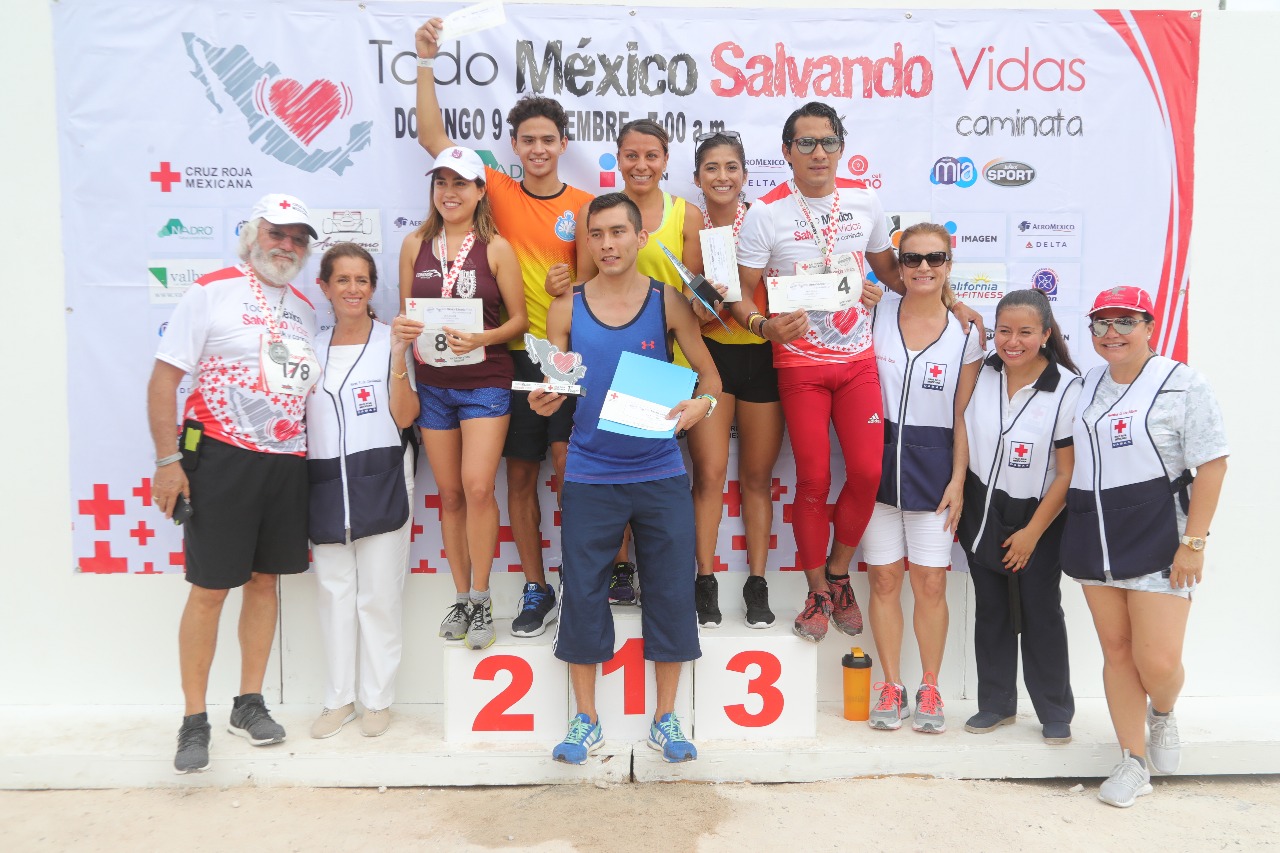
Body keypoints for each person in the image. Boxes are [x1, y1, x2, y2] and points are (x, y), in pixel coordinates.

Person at [416, 17, 595, 638]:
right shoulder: (490, 187)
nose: (539, 149)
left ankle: (581, 583)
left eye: (548, 138)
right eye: (528, 140)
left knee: (574, 472)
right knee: (518, 477)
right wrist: (424, 62)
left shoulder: (587, 206)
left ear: (563, 142)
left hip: (567, 356)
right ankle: (536, 587)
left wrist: (572, 286)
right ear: (513, 146)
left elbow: (605, 279)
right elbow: (434, 139)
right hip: (511, 357)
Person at [528, 193, 721, 765]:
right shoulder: (565, 308)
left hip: (660, 471)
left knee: (669, 590)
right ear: (587, 241)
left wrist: (700, 406)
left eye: (618, 232)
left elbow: (709, 376)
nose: (608, 243)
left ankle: (667, 718)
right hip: (589, 473)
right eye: (598, 234)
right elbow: (557, 384)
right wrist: (545, 400)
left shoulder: (668, 305)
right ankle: (584, 719)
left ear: (641, 239)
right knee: (583, 593)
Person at [147, 193, 319, 773]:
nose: (287, 245)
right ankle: (193, 719)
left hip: (285, 462)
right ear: (253, 235)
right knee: (210, 588)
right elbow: (164, 378)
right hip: (218, 457)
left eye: (298, 238)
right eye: (278, 233)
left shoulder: (305, 307)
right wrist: (167, 460)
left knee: (265, 582)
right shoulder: (211, 289)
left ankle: (248, 703)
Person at [728, 101, 903, 643]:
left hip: (856, 362)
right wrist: (763, 326)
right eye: (805, 143)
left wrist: (943, 296)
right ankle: (815, 592)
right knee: (813, 478)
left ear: (841, 147)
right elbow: (736, 292)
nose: (818, 152)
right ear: (786, 152)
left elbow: (890, 272)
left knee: (870, 474)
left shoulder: (865, 201)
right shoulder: (766, 213)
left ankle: (838, 573)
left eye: (828, 141)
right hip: (799, 364)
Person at [1062, 285, 1228, 808]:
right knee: (1116, 651)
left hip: (1160, 533)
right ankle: (1132, 760)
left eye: (1124, 322)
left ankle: (1163, 712)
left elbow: (1213, 463)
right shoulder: (1084, 385)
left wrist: (1194, 542)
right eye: (1101, 324)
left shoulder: (1183, 383)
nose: (1112, 333)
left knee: (1156, 660)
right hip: (1096, 532)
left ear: (1149, 326)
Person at [570, 118, 707, 605]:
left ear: (667, 159)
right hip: (607, 356)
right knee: (604, 466)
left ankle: (696, 581)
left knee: (681, 474)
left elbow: (700, 299)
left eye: (652, 155)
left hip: (661, 358)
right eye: (631, 154)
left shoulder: (686, 216)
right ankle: (619, 570)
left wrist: (702, 398)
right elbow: (582, 292)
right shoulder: (596, 216)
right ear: (617, 158)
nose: (642, 163)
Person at [399, 146, 528, 651]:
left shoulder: (496, 247)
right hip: (434, 385)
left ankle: (483, 594)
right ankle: (461, 595)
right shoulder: (414, 244)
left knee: (477, 488)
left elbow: (517, 321)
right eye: (441, 183)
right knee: (449, 494)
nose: (449, 192)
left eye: (461, 183)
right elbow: (405, 312)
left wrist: (482, 339)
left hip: (485, 381)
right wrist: (407, 331)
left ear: (480, 191)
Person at [863, 222, 982, 734]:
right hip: (874, 466)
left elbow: (965, 417)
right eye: (911, 260)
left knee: (931, 582)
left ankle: (929, 687)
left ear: (949, 264)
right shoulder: (874, 311)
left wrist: (958, 481)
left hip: (935, 472)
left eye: (934, 258)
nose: (923, 268)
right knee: (885, 578)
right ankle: (891, 684)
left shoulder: (969, 330)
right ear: (899, 265)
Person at [306, 243, 420, 739]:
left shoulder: (391, 340)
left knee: (378, 595)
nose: (353, 289)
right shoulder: (309, 347)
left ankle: (377, 699)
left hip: (383, 474)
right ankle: (339, 700)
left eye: (362, 281)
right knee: (335, 593)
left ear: (374, 288)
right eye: (343, 280)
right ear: (325, 288)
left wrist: (397, 359)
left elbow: (406, 415)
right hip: (325, 480)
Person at [958, 288, 1081, 745]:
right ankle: (995, 704)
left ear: (1046, 334)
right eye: (1004, 331)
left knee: (1040, 609)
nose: (1013, 341)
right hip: (982, 504)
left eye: (1026, 332)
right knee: (991, 609)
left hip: (1040, 514)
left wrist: (1031, 533)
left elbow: (1067, 474)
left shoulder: (1068, 388)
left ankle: (1054, 709)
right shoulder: (982, 373)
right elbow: (962, 433)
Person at [686, 130, 783, 629]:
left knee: (757, 480)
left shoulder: (766, 219)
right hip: (712, 358)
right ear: (698, 177)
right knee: (708, 475)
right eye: (711, 168)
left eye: (731, 168)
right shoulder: (688, 227)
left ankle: (758, 583)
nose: (722, 177)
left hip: (765, 359)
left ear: (746, 174)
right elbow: (683, 313)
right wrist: (708, 304)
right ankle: (705, 582)